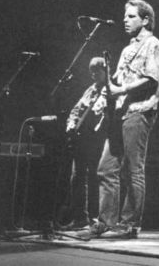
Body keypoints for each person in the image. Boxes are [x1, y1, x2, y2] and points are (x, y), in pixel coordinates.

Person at [82, 0, 159, 239]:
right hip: (119, 114)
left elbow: (152, 79)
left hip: (139, 111)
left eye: (131, 16)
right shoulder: (127, 49)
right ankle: (106, 221)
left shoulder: (153, 44)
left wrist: (122, 89)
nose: (125, 20)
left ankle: (129, 224)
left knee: (132, 169)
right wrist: (105, 92)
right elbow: (117, 80)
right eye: (125, 16)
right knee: (106, 168)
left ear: (145, 20)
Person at [62, 56, 109, 230]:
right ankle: (80, 218)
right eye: (92, 71)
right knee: (77, 178)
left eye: (97, 71)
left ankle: (97, 218)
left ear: (106, 71)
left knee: (96, 177)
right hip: (82, 140)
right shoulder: (90, 89)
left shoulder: (110, 90)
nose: (94, 75)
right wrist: (71, 123)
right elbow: (76, 110)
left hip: (98, 139)